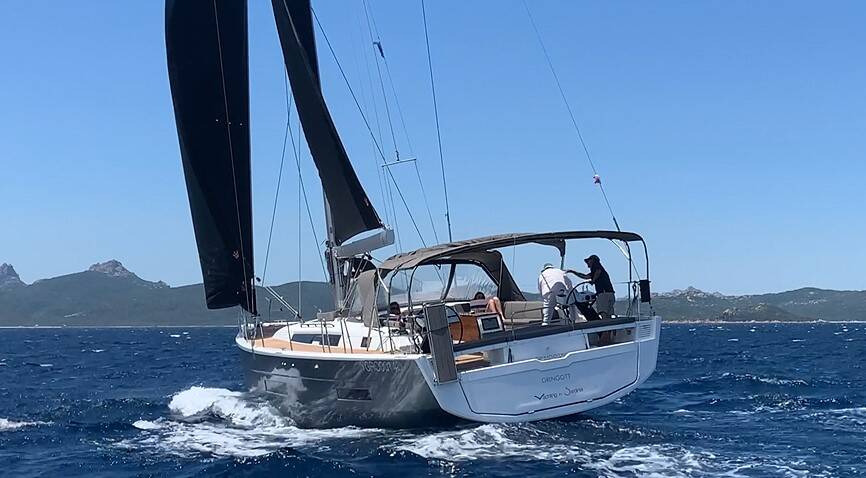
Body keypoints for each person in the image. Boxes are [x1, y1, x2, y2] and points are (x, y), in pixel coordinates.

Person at [574, 255, 615, 320]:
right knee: (608, 313)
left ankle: (604, 324)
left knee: (603, 312)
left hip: (603, 293)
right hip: (610, 293)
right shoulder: (598, 271)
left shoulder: (596, 267)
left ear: (592, 261)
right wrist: (573, 272)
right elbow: (585, 276)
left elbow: (598, 272)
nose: (587, 263)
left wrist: (593, 281)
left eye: (588, 261)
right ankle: (609, 325)